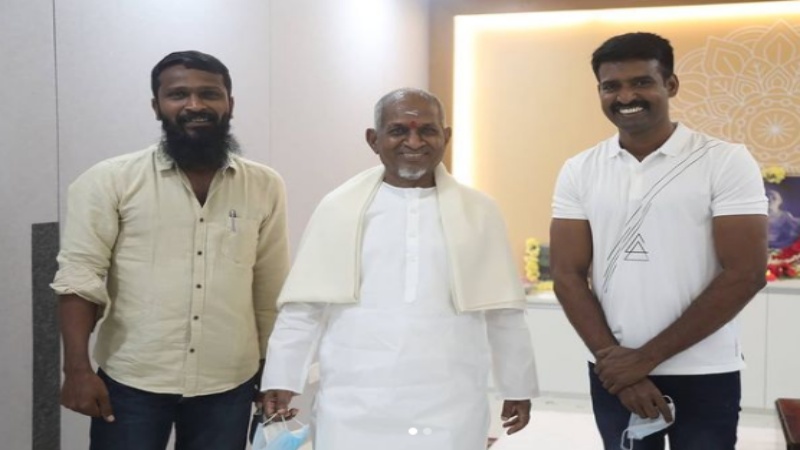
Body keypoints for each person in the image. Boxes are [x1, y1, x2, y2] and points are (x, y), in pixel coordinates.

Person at [259, 88, 538, 450]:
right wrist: (282, 378)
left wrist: (517, 386)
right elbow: (303, 308)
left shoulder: (479, 212)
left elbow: (504, 312)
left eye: (427, 130)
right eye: (398, 131)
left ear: (446, 137)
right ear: (373, 140)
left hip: (450, 402)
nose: (414, 141)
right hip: (354, 403)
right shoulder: (338, 208)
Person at [51, 50, 290, 450]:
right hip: (134, 382)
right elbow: (80, 277)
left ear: (229, 103)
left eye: (209, 94)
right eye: (178, 95)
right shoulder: (110, 181)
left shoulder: (265, 185)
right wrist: (76, 368)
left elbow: (270, 286)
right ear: (156, 106)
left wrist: (276, 371)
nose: (194, 105)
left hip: (228, 383)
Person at [550, 32, 767, 449]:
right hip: (613, 371)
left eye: (641, 82)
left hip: (705, 371)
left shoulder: (724, 160)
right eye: (611, 86)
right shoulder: (580, 169)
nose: (625, 95)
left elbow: (746, 273)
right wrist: (617, 364)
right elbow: (567, 274)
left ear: (670, 85)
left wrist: (643, 359)